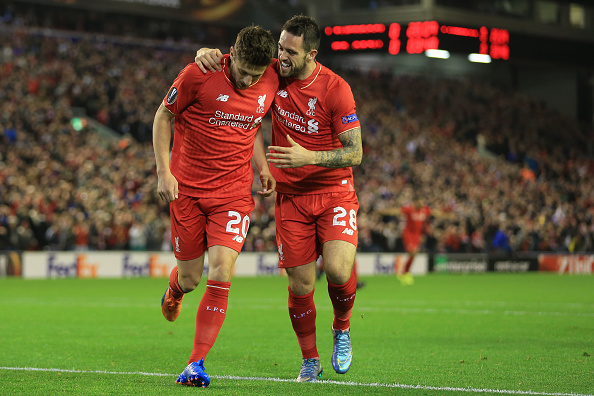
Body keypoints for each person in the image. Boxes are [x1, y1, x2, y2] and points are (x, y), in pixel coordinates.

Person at [195, 15, 363, 382]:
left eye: (290, 51)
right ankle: (310, 359)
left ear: (311, 54)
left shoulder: (336, 89)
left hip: (334, 192)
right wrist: (207, 54)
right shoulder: (271, 74)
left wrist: (310, 157)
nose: (281, 56)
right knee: (300, 285)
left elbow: (355, 153)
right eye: (280, 48)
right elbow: (243, 99)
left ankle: (342, 328)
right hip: (291, 198)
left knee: (337, 270)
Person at [153, 25, 279, 388]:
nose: (248, 79)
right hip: (187, 192)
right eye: (242, 71)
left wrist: (262, 167)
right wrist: (164, 172)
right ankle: (175, 289)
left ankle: (195, 364)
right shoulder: (199, 73)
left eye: (255, 75)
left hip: (233, 196)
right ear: (230, 54)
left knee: (221, 271)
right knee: (191, 278)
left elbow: (252, 125)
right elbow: (163, 116)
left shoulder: (270, 77)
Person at [380, 197, 452, 285]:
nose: (422, 203)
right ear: (415, 202)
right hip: (408, 234)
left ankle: (405, 272)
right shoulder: (410, 209)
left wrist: (447, 215)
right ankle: (405, 272)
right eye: (420, 201)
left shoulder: (424, 210)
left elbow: (435, 212)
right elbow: (396, 210)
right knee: (413, 252)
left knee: (414, 254)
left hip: (417, 235)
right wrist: (383, 211)